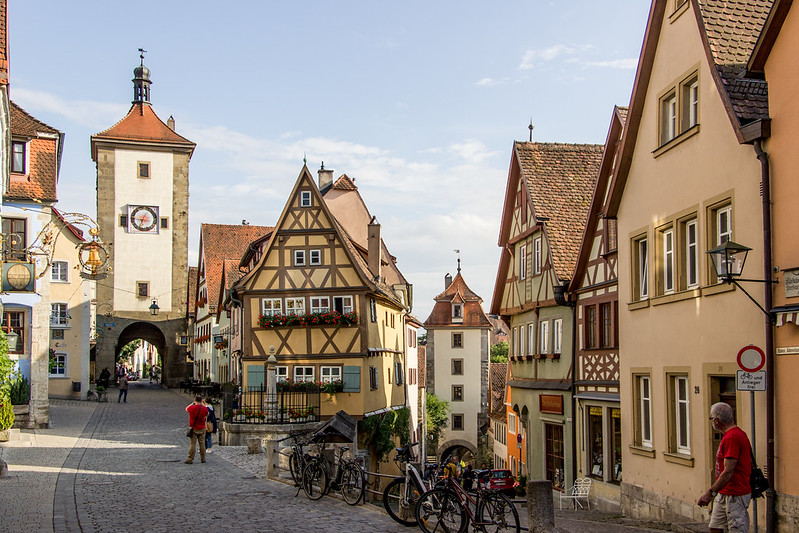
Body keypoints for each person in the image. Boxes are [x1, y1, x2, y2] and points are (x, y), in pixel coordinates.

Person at [697, 402, 752, 533]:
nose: (712, 422)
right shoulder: (730, 435)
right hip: (724, 492)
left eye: (711, 419)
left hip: (735, 493)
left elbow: (728, 471)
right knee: (715, 527)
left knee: (737, 529)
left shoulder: (732, 437)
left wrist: (710, 493)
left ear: (717, 421)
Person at [185, 396, 208, 464]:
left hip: (194, 428)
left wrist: (193, 403)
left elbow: (186, 409)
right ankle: (203, 458)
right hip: (202, 427)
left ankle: (190, 459)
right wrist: (203, 404)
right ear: (201, 401)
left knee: (193, 444)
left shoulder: (192, 408)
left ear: (195, 401)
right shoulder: (204, 408)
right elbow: (207, 414)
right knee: (202, 443)